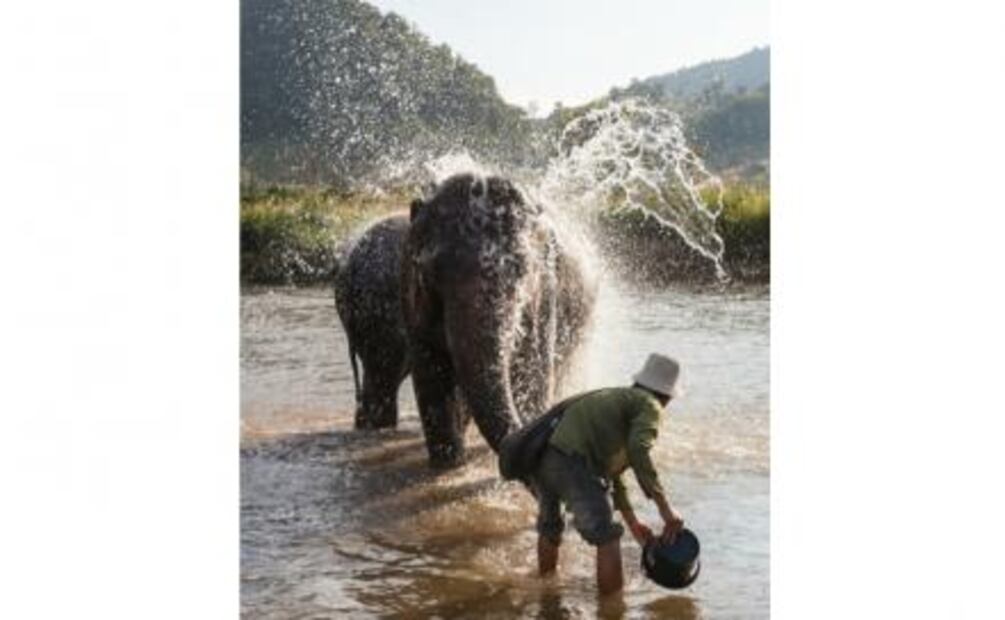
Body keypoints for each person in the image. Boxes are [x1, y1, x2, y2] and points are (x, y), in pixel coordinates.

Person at [530, 353, 685, 596]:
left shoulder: (618, 398)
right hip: (573, 462)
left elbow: (612, 472)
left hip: (545, 460)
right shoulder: (650, 405)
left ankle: (546, 593)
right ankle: (613, 608)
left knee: (550, 527)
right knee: (608, 538)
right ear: (667, 396)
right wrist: (665, 509)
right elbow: (638, 450)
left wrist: (633, 523)